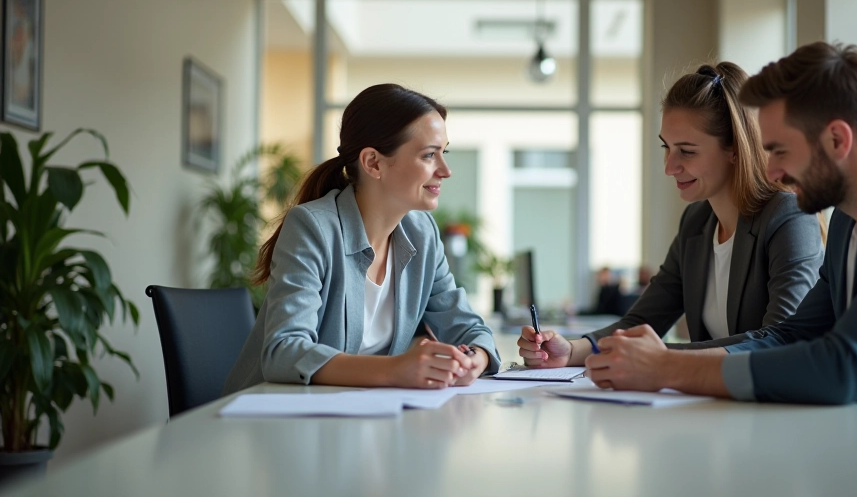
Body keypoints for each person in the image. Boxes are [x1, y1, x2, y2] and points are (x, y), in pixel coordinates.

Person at [585, 42, 857, 443]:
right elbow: (791, 335)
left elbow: (842, 366)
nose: (770, 171)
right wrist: (656, 362)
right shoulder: (851, 217)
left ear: (837, 139)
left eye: (779, 151)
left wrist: (666, 366)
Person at [518, 62, 824, 368]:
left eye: (687, 151)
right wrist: (571, 352)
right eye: (667, 147)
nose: (669, 167)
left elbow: (782, 340)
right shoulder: (696, 222)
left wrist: (662, 358)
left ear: (735, 148)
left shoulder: (789, 216)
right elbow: (641, 321)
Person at [223, 84, 500, 394]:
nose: (446, 171)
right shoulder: (313, 227)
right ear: (373, 163)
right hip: (272, 413)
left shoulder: (422, 233)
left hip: (360, 411)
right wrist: (396, 370)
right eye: (428, 155)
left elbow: (467, 327)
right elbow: (284, 351)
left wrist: (474, 359)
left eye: (443, 153)